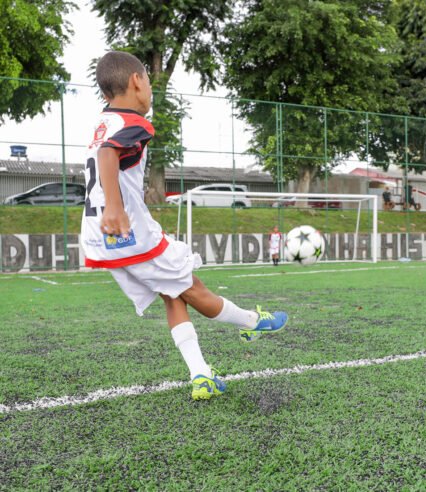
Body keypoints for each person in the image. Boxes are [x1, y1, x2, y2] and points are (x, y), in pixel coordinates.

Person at [80, 51, 287, 401]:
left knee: (172, 292)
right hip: (128, 233)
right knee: (195, 290)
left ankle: (201, 375)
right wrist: (115, 207)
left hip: (99, 237)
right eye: (147, 82)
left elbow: (105, 153)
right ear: (136, 82)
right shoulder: (134, 122)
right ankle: (252, 322)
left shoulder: (103, 122)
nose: (149, 90)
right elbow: (108, 155)